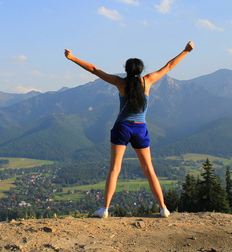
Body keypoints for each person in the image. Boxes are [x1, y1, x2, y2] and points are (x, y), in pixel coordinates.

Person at [64, 41, 194, 218]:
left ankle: (105, 209)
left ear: (126, 70)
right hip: (140, 129)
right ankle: (163, 208)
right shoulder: (147, 81)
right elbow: (169, 66)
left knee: (114, 169)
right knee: (149, 169)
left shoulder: (120, 83)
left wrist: (72, 58)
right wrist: (186, 51)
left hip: (122, 128)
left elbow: (94, 69)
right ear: (140, 70)